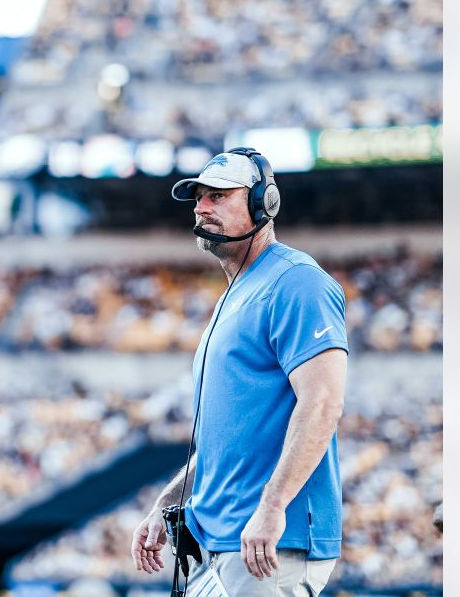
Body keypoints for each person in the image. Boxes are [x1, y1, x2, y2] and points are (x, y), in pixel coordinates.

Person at [130, 148, 349, 596]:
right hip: (221, 541)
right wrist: (168, 501)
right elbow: (223, 441)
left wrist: (272, 506)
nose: (201, 207)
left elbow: (323, 402)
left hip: (267, 543)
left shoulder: (296, 281)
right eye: (198, 197)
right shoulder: (235, 296)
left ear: (262, 204)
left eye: (218, 196)